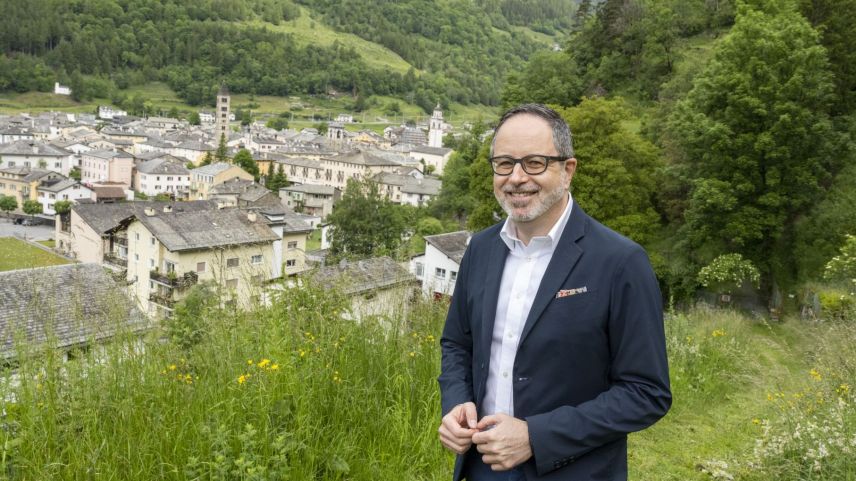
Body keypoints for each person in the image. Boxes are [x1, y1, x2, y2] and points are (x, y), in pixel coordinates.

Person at [437, 103, 671, 481]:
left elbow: (646, 393)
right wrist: (456, 401)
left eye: (534, 163)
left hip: (574, 471)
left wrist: (537, 436)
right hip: (482, 467)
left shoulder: (620, 262)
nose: (516, 178)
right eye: (504, 163)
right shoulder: (480, 250)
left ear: (568, 170)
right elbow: (457, 345)